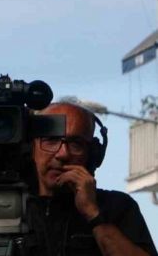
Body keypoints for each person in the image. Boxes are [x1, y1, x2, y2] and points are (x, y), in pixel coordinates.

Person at [27, 102, 157, 255]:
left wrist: (93, 213)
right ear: (31, 148)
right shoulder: (7, 206)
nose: (63, 154)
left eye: (76, 144)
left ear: (93, 154)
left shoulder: (117, 207)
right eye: (51, 140)